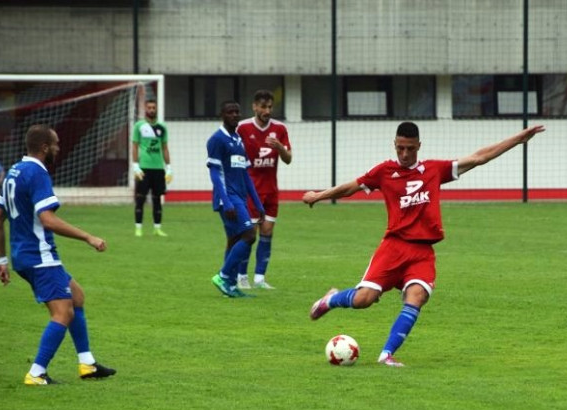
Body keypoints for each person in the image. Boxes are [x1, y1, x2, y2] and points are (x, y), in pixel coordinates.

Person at [303, 121, 545, 366]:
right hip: (393, 248)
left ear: (419, 146)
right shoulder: (384, 171)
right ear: (394, 145)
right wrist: (318, 195)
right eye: (400, 148)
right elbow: (350, 187)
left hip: (422, 252)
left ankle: (386, 355)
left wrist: (518, 139)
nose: (405, 154)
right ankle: (330, 300)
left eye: (410, 148)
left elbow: (478, 158)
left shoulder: (433, 170)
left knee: (416, 297)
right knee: (363, 299)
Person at [0, 124, 116, 385]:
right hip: (39, 256)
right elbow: (48, 220)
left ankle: (87, 364)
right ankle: (36, 373)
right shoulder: (37, 173)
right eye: (57, 144)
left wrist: (2, 260)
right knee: (63, 312)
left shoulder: (13, 173)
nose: (59, 149)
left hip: (22, 257)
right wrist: (88, 237)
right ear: (44, 148)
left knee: (77, 296)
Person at [207, 101, 265, 298]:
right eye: (230, 112)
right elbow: (215, 174)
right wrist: (227, 201)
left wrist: (257, 204)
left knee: (234, 241)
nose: (234, 115)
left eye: (237, 112)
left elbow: (246, 175)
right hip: (228, 198)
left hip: (239, 197)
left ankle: (229, 286)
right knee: (249, 235)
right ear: (222, 115)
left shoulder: (238, 139)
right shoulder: (217, 139)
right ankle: (223, 276)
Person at [235, 89, 293, 290]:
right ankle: (241, 276)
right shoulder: (242, 128)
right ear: (255, 107)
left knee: (267, 231)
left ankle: (259, 278)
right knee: (249, 234)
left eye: (270, 107)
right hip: (251, 191)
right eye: (263, 107)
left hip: (271, 190)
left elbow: (288, 159)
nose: (267, 110)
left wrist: (279, 148)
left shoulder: (280, 129)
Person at [132, 99, 172, 236]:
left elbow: (165, 148)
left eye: (153, 107)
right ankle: (138, 228)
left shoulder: (162, 127)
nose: (151, 110)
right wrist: (135, 165)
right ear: (145, 109)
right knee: (140, 199)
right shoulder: (139, 126)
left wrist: (169, 167)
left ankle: (157, 228)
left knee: (157, 199)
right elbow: (135, 146)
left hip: (158, 169)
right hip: (143, 168)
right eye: (149, 107)